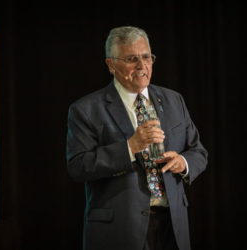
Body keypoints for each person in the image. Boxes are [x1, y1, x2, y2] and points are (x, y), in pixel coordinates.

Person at [66, 26, 208, 250]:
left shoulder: (173, 100)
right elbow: (78, 166)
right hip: (119, 230)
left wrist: (183, 163)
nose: (142, 66)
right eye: (132, 59)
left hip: (172, 224)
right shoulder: (86, 109)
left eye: (146, 57)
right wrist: (130, 148)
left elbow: (198, 151)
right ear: (111, 65)